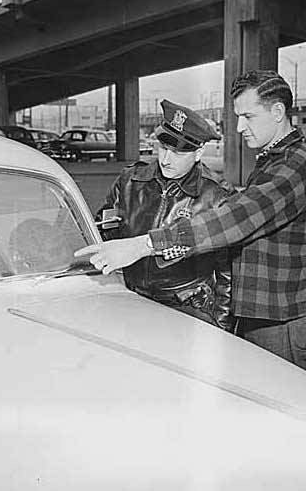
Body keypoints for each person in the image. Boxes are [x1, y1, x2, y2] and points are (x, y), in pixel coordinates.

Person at [76, 70, 306, 371]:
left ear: (277, 112)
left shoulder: (292, 166)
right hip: (266, 313)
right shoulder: (275, 159)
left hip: (279, 319)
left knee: (279, 405)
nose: (238, 127)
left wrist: (144, 245)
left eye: (247, 116)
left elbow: (233, 220)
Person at [93, 99, 235, 331]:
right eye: (163, 148)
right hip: (131, 300)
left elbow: (227, 271)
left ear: (199, 152)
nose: (166, 160)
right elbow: (104, 232)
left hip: (187, 309)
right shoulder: (131, 181)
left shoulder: (216, 195)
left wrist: (220, 325)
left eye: (178, 153)